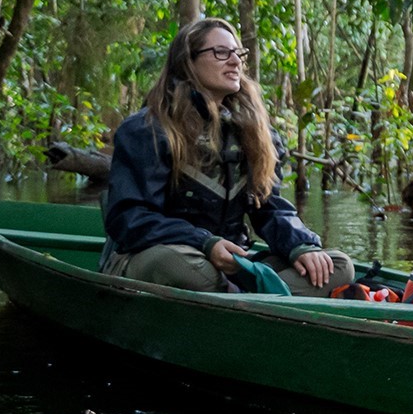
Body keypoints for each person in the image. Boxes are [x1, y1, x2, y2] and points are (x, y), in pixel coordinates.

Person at [102, 17, 354, 297]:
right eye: (221, 53)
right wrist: (206, 243)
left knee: (338, 266)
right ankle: (259, 301)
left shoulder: (256, 134)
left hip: (231, 264)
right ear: (188, 62)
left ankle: (246, 301)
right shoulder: (146, 130)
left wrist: (302, 246)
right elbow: (128, 220)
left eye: (238, 54)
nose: (235, 61)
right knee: (182, 266)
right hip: (163, 257)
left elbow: (270, 209)